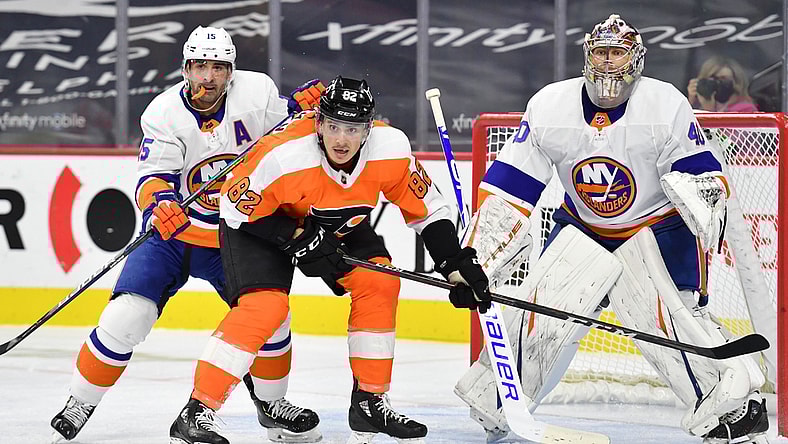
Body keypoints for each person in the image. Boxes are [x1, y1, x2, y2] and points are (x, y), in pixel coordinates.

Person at [454, 14, 769, 444]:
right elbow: (511, 187)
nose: (606, 63)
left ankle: (732, 409)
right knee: (541, 315)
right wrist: (472, 259)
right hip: (583, 225)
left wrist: (703, 196)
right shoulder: (550, 104)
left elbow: (702, 173)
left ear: (635, 59)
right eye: (600, 52)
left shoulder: (665, 103)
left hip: (657, 226)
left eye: (616, 53)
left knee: (669, 320)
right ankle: (498, 401)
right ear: (587, 55)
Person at [166, 75, 492, 444]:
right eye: (333, 125)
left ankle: (369, 402)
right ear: (318, 122)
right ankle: (196, 412)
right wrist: (295, 236)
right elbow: (235, 205)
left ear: (369, 128)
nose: (341, 139)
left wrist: (453, 263)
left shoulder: (391, 149)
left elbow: (428, 209)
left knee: (379, 280)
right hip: (262, 226)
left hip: (333, 221)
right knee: (265, 308)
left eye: (352, 128)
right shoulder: (284, 153)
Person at [50, 25, 327, 443]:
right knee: (127, 316)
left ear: (231, 71)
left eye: (219, 67)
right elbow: (152, 177)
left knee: (272, 320)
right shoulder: (163, 112)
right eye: (201, 66)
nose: (209, 76)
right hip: (176, 235)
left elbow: (291, 130)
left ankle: (271, 406)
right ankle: (80, 401)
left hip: (237, 233)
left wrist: (308, 111)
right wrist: (160, 202)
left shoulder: (257, 93)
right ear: (185, 69)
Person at [687, 56, 759, 112]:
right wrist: (690, 102)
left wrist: (709, 111)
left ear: (736, 82)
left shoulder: (746, 110)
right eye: (713, 79)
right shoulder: (696, 106)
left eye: (723, 79)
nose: (717, 83)